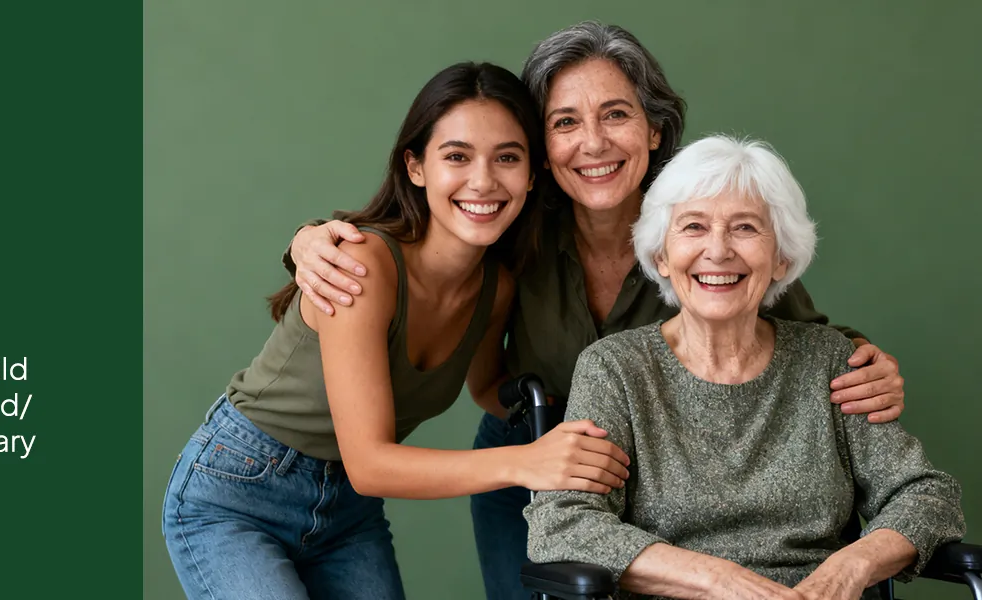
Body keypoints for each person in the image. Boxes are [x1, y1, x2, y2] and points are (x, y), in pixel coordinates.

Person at [283, 21, 907, 599]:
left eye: (617, 115)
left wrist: (869, 365)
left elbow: (794, 331)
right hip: (528, 452)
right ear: (539, 150)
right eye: (564, 123)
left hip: (657, 474)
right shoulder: (507, 223)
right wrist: (309, 240)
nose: (593, 143)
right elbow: (417, 239)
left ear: (654, 129)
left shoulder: (704, 239)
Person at [161, 62, 634, 600]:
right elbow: (370, 464)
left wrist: (583, 426)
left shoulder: (495, 287)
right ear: (415, 166)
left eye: (507, 157)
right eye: (456, 156)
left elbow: (488, 388)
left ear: (532, 174)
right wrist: (528, 462)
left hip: (346, 515)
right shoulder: (363, 265)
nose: (483, 180)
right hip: (238, 493)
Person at [522, 134, 965, 600]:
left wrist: (848, 570)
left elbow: (928, 496)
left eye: (746, 228)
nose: (718, 250)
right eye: (693, 227)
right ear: (660, 256)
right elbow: (564, 521)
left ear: (782, 259)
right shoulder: (615, 370)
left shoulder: (829, 360)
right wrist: (724, 582)